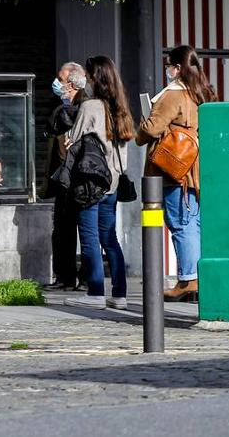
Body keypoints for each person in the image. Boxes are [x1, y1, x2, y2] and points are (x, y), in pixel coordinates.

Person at [136, 45, 215, 303]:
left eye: (169, 65)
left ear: (178, 68)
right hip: (196, 167)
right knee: (194, 222)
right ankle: (198, 277)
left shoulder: (173, 95)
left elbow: (152, 128)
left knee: (181, 224)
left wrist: (142, 128)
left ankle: (188, 279)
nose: (167, 70)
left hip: (174, 169)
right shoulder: (202, 93)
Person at [64, 55, 133, 310]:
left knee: (90, 237)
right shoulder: (120, 107)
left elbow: (72, 138)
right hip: (113, 182)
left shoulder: (91, 106)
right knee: (109, 238)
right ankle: (120, 293)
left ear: (95, 78)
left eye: (90, 76)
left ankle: (95, 291)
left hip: (91, 180)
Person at [44, 61, 85, 291]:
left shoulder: (84, 106)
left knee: (86, 229)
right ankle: (64, 276)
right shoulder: (59, 105)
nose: (58, 84)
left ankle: (87, 278)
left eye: (63, 80)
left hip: (79, 175)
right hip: (62, 175)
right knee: (62, 228)